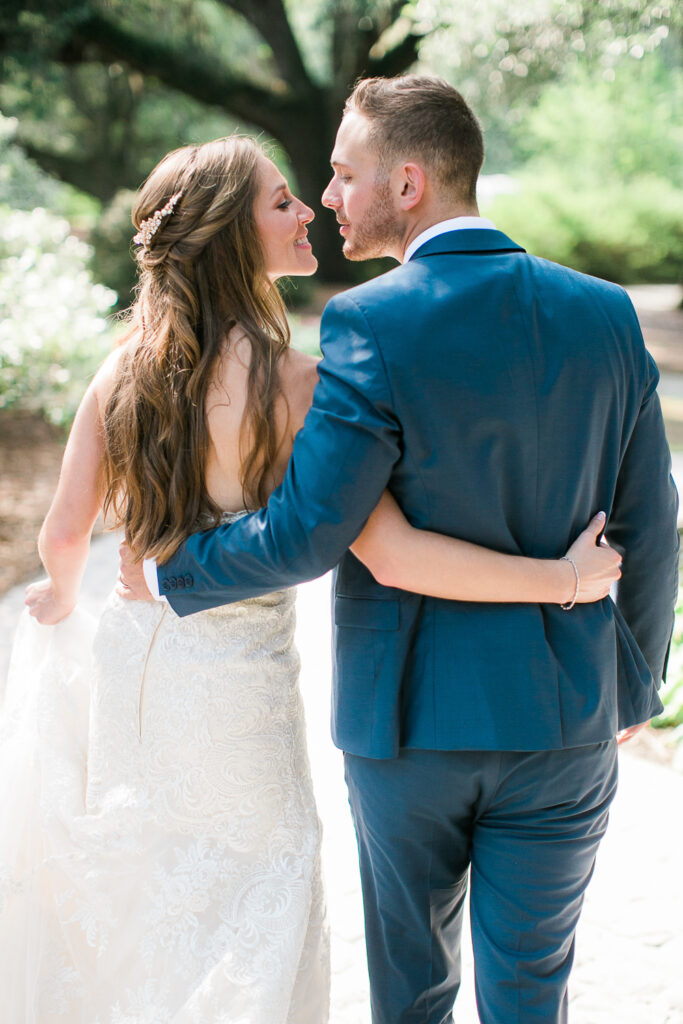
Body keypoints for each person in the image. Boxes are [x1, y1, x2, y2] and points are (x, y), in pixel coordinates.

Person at [0, 135, 617, 1024]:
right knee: (262, 887)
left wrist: (64, 599)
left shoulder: (123, 369)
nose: (310, 210)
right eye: (283, 200)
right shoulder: (294, 383)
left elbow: (64, 535)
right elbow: (388, 547)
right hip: (239, 689)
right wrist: (560, 576)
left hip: (137, 677)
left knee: (149, 889)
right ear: (230, 236)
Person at [121, 78, 679, 1023]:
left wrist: (173, 570)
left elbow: (307, 530)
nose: (329, 195)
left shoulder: (369, 323)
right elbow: (651, 517)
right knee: (530, 993)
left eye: (344, 174)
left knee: (409, 993)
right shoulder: (605, 313)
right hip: (565, 715)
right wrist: (635, 680)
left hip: (408, 722)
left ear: (409, 183)